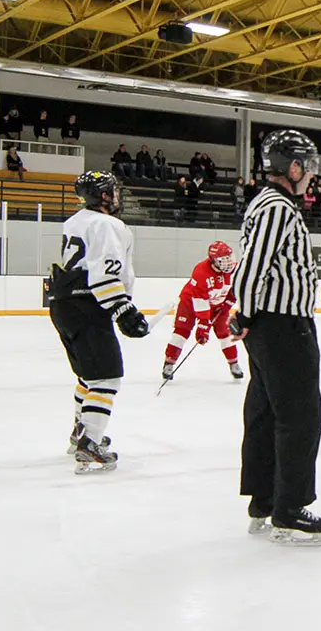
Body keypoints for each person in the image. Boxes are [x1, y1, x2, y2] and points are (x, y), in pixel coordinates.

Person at [231, 129, 321, 546]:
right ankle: (289, 510)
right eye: (307, 166)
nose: (310, 174)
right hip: (284, 325)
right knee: (299, 416)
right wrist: (249, 311)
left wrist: (247, 315)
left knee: (266, 413)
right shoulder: (278, 208)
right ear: (292, 168)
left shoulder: (266, 203)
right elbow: (254, 265)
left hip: (269, 325)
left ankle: (265, 501)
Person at [47, 171, 150, 474]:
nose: (118, 196)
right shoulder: (107, 224)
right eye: (114, 191)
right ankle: (89, 442)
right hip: (87, 304)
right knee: (106, 377)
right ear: (104, 196)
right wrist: (123, 309)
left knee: (88, 377)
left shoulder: (76, 220)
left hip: (63, 304)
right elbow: (104, 271)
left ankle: (80, 431)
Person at [164, 241, 244, 382]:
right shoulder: (201, 271)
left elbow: (238, 286)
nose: (228, 263)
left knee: (224, 333)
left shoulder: (236, 270)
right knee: (181, 331)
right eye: (223, 260)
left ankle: (234, 363)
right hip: (190, 302)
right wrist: (203, 324)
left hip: (218, 305)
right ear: (213, 260)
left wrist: (229, 302)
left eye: (229, 258)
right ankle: (169, 363)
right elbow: (200, 299)